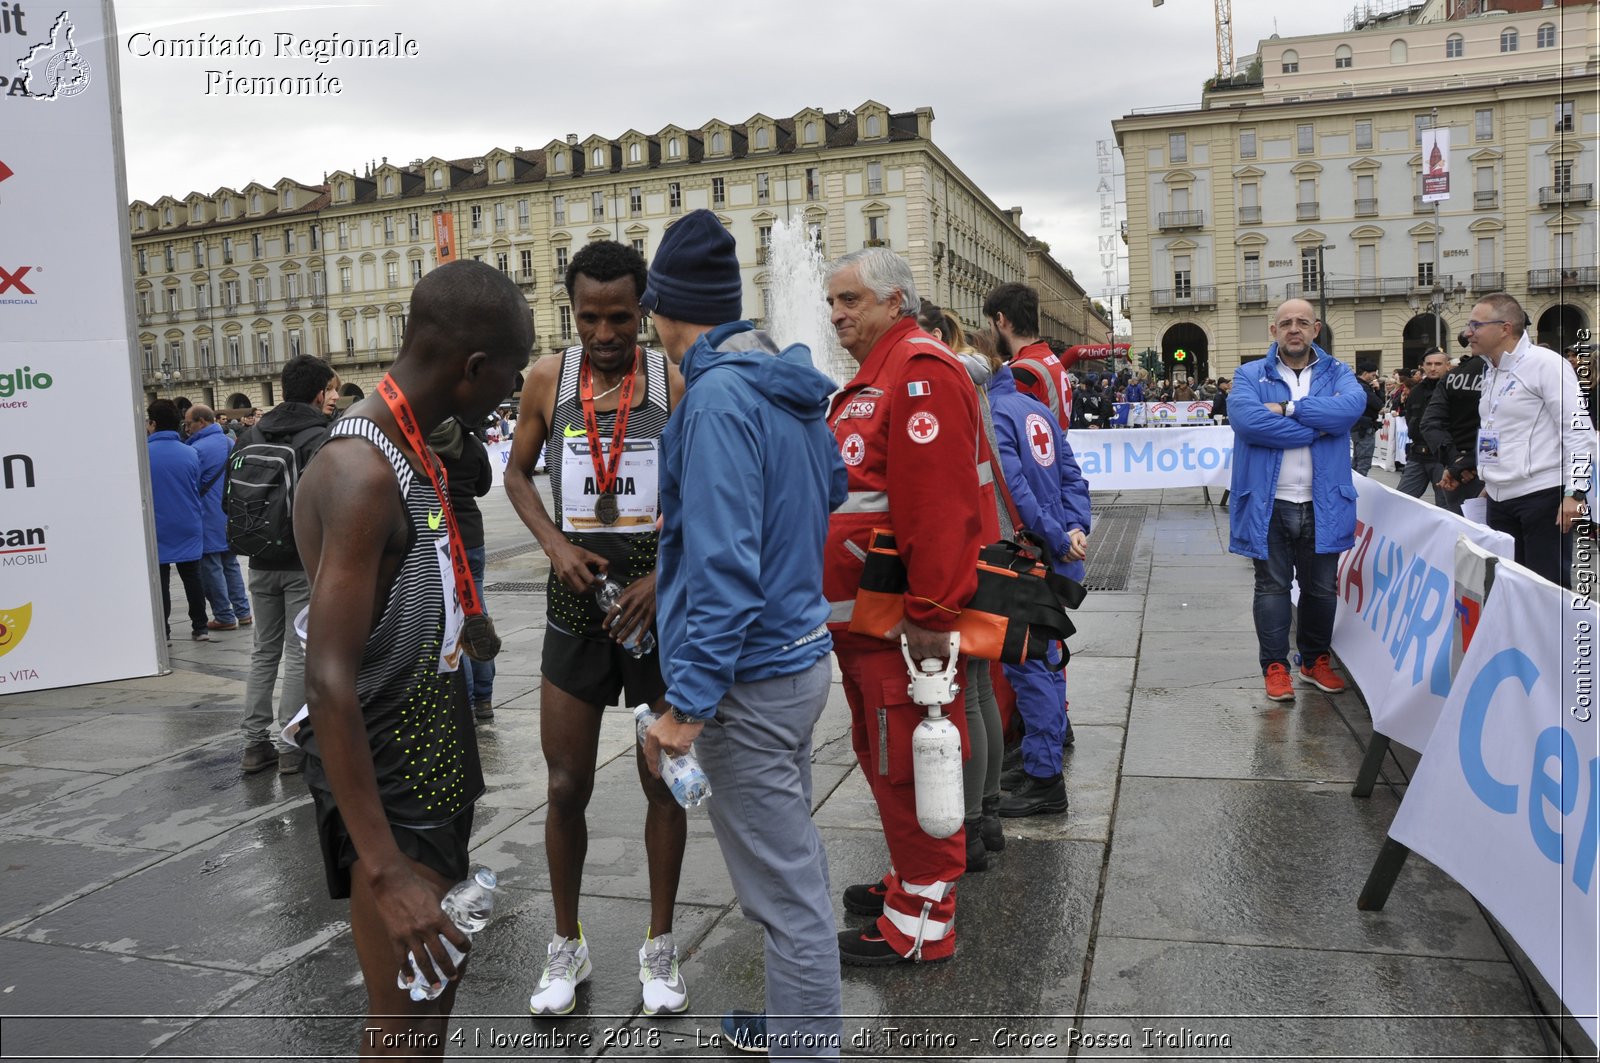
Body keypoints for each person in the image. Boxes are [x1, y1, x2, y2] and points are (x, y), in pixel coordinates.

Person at [293, 260, 532, 1059]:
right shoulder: (360, 469)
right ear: (472, 371)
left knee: (438, 989)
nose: (513, 390)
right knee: (402, 1014)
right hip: (386, 759)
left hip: (432, 736)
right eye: (510, 371)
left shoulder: (412, 445)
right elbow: (328, 682)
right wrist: (385, 866)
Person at [635, 209, 845, 1060]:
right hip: (798, 658)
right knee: (787, 866)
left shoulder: (717, 399)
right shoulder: (777, 379)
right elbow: (829, 489)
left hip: (749, 681)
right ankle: (795, 1019)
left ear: (662, 309)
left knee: (787, 895)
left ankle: (807, 1044)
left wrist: (686, 705)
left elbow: (724, 566)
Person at [502, 240, 689, 1016]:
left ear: (643, 309)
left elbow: (703, 490)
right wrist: (551, 544)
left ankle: (661, 946)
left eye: (619, 317)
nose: (605, 333)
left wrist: (661, 575)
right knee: (564, 784)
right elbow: (514, 473)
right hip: (576, 604)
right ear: (569, 310)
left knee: (662, 784)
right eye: (589, 317)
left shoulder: (673, 382)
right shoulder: (550, 377)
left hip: (653, 607)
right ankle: (566, 942)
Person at [824, 248, 998, 965]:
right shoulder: (885, 370)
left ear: (896, 302)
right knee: (883, 755)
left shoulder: (919, 370)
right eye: (832, 300)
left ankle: (923, 922)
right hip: (872, 624)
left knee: (909, 760)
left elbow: (936, 508)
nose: (836, 313)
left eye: (850, 301)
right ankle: (909, 882)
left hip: (901, 624)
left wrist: (930, 616)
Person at [1228, 299, 1365, 702]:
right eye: (1285, 323)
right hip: (1269, 503)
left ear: (1315, 329)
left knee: (1321, 589)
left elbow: (1351, 409)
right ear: (1273, 331)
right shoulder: (1249, 374)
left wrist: (1289, 409)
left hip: (1325, 502)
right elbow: (1248, 422)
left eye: (1302, 322)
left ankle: (1314, 660)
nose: (1294, 329)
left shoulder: (1339, 373)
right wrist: (1318, 430)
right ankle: (1275, 667)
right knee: (1271, 588)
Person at [983, 344, 1089, 818]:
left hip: (1027, 555)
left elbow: (1013, 487)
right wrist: (1075, 528)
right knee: (1042, 660)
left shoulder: (993, 413)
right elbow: (1072, 476)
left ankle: (1044, 778)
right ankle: (1038, 761)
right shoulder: (1034, 408)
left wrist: (1054, 536)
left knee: (1029, 667)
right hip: (1052, 550)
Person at [919, 303, 1007, 871]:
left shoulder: (936, 381)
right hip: (988, 537)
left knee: (966, 691)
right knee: (980, 688)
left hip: (962, 547)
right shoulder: (972, 377)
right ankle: (989, 813)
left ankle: (970, 826)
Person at [235, 356, 335, 775]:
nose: (334, 398)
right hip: (301, 560)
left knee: (263, 651)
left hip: (258, 558)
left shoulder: (251, 433)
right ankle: (291, 744)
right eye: (331, 390)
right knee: (299, 652)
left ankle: (254, 744)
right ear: (316, 393)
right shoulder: (320, 437)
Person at [1465, 293, 1593, 588]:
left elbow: (1578, 429)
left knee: (1545, 588)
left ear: (1505, 328)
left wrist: (1575, 493)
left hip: (1542, 496)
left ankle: (1554, 636)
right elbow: (1501, 428)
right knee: (1510, 585)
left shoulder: (1546, 364)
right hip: (1499, 497)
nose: (1468, 332)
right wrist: (1490, 480)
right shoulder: (1491, 368)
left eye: (1476, 324)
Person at [428, 416, 496, 721]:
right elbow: (483, 487)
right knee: (476, 613)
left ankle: (465, 701)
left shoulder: (421, 446)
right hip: (470, 536)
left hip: (438, 537)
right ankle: (484, 698)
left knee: (453, 621)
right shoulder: (472, 444)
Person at [184, 404, 254, 632]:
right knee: (230, 563)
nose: (187, 429)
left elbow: (191, 485)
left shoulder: (197, 449)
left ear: (201, 422)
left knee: (211, 565)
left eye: (189, 424)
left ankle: (224, 615)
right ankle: (243, 612)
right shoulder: (228, 442)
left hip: (206, 513)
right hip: (229, 511)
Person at [146, 399, 209, 643]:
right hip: (188, 521)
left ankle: (164, 630)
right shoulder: (192, 452)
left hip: (157, 523)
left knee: (160, 578)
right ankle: (200, 627)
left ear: (152, 423)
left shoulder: (143, 455)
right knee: (192, 576)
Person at [984, 282, 1071, 430]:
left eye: (990, 325)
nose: (991, 333)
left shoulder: (1020, 374)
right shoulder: (1048, 358)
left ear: (1000, 319)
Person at [1422, 341, 1488, 516]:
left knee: (1465, 535)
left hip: (1460, 467)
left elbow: (1430, 423)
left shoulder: (1453, 376)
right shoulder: (1505, 374)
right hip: (1483, 469)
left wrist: (1457, 463)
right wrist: (1464, 464)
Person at [1397, 348, 1449, 504]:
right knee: (1400, 502)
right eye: (1429, 364)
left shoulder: (1452, 389)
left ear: (1447, 365)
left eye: (1438, 364)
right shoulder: (1416, 391)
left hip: (1443, 457)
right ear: (1423, 366)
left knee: (1446, 507)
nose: (1433, 368)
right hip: (1417, 455)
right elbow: (1410, 419)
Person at [1349, 361, 1383, 475]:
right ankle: (1359, 488)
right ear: (1365, 373)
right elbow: (1378, 404)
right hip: (1364, 427)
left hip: (1356, 425)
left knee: (1357, 459)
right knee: (1363, 461)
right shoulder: (1363, 387)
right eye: (1373, 375)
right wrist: (1378, 390)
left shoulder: (1352, 383)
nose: (1374, 378)